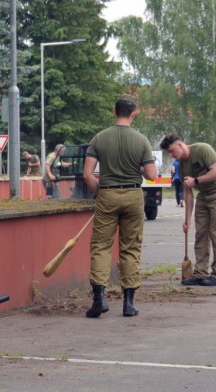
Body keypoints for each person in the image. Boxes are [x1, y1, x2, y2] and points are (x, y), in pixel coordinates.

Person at [82, 94, 157, 318]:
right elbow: (152, 175)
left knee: (101, 246)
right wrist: (139, 167)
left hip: (107, 195)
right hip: (134, 195)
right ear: (134, 113)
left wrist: (102, 191)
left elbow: (87, 174)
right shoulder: (141, 140)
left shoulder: (99, 138)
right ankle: (128, 303)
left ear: (114, 112)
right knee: (131, 248)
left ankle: (99, 299)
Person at [160, 133, 216, 287]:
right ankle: (200, 273)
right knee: (201, 234)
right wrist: (187, 219)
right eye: (169, 154)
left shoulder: (202, 149)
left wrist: (196, 180)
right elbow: (188, 193)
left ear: (180, 145)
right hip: (203, 195)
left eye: (172, 151)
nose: (172, 156)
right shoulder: (182, 166)